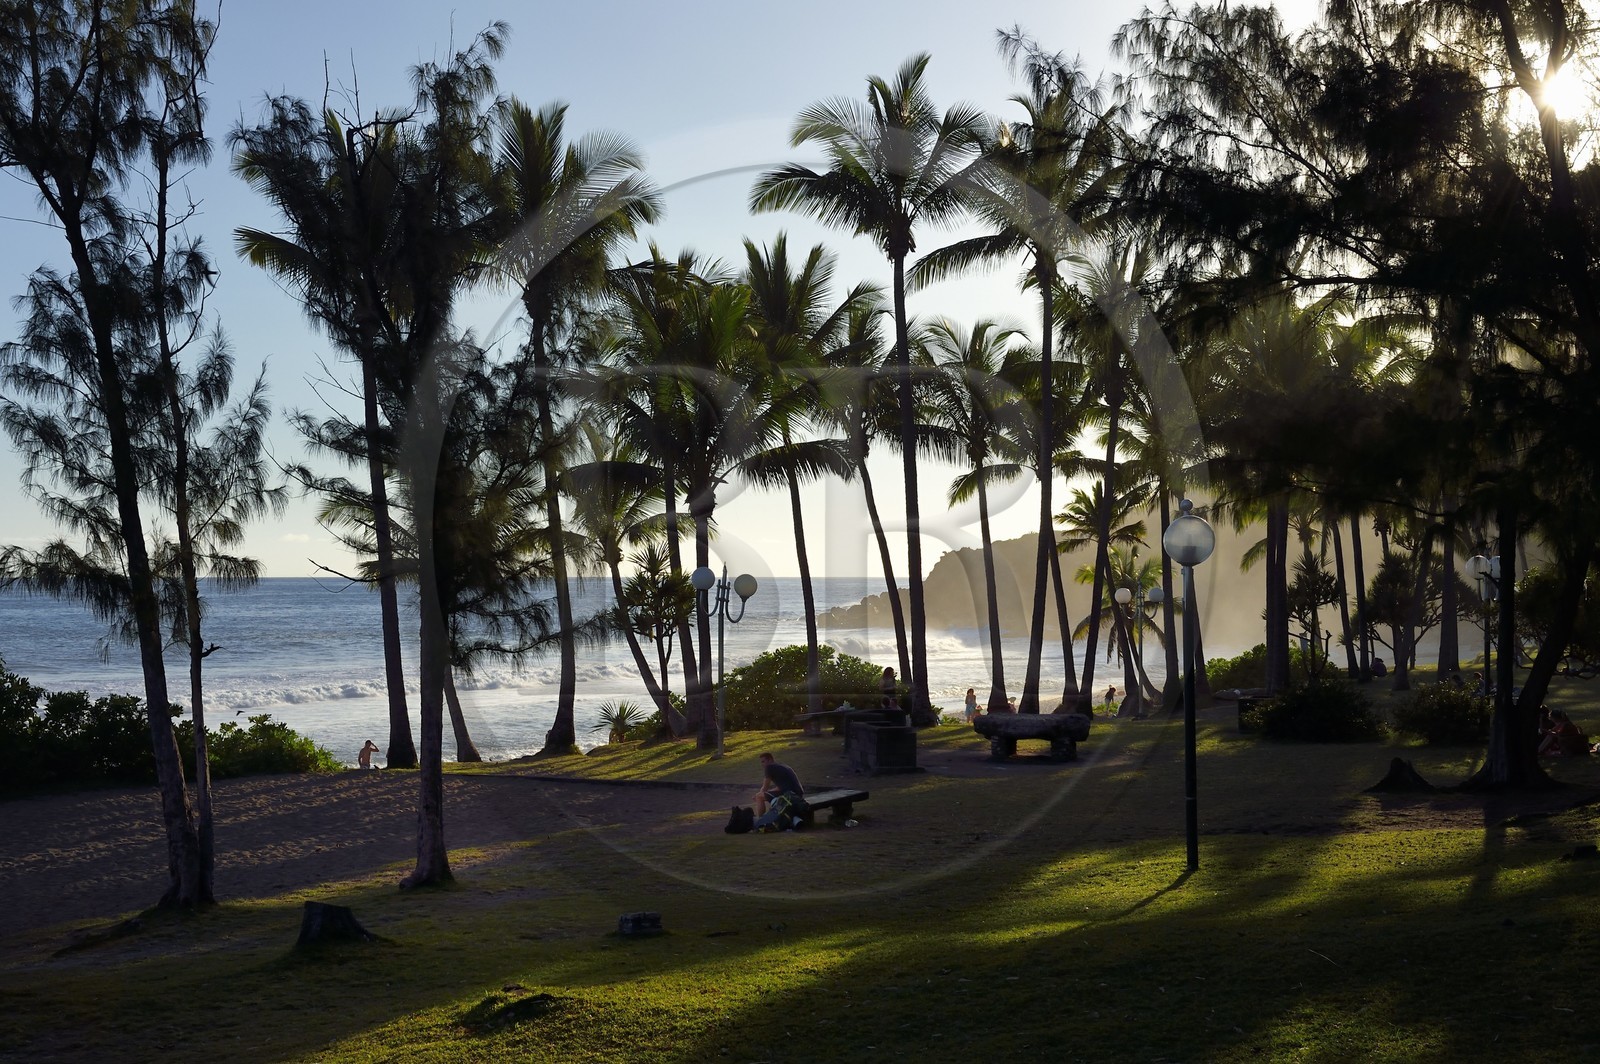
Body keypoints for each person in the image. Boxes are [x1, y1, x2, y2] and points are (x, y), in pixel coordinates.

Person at [752, 751, 804, 817]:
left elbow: (765, 787)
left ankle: (761, 821)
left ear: (770, 760)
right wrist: (767, 793)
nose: (762, 764)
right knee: (760, 795)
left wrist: (758, 795)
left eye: (763, 761)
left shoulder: (769, 767)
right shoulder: (782, 765)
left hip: (790, 795)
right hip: (798, 794)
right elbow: (779, 787)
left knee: (759, 797)